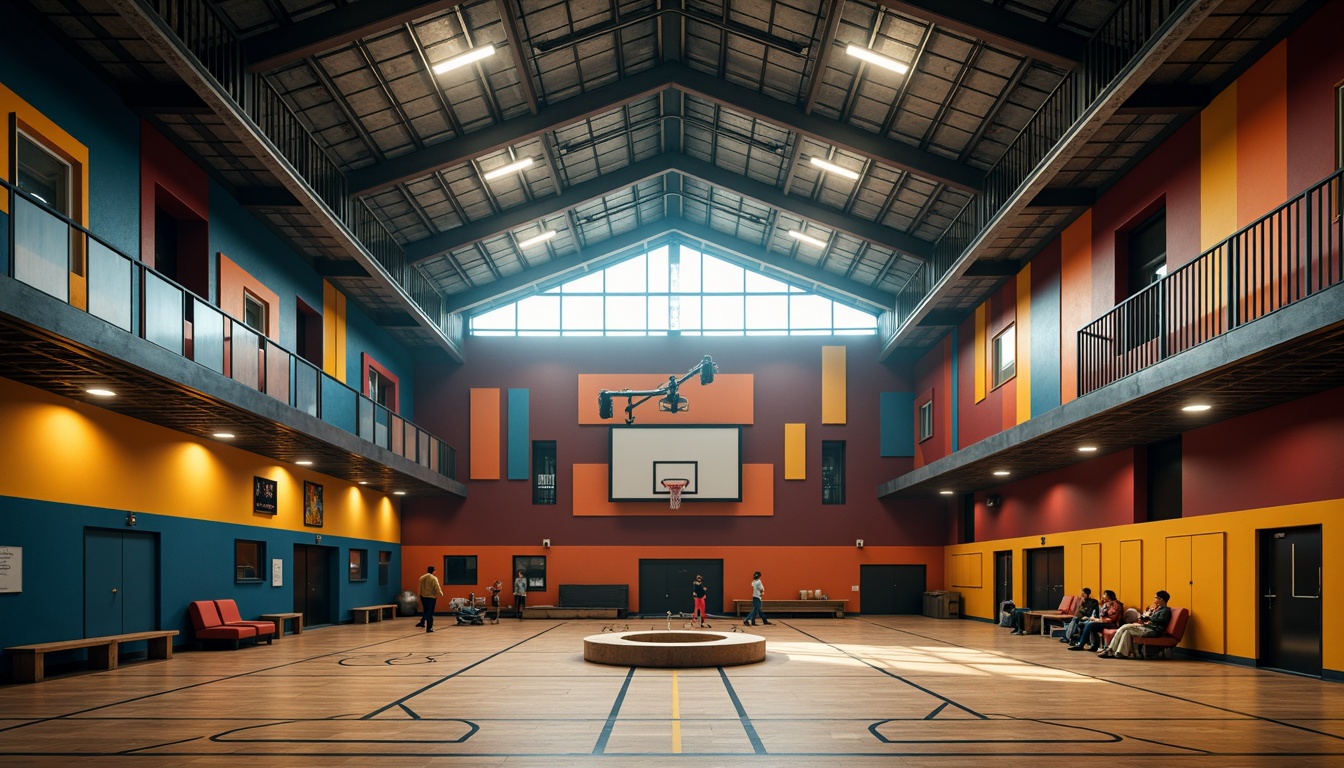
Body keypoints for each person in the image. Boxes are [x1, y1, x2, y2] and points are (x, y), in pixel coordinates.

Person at [1098, 590, 1171, 658]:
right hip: (1147, 627)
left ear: (1161, 599)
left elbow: (1161, 620)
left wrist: (1148, 617)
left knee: (1125, 627)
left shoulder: (1165, 610)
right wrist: (1147, 616)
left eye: (1156, 598)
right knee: (1127, 632)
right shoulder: (1158, 608)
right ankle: (1121, 653)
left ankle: (1110, 649)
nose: (1154, 599)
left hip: (1153, 630)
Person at [417, 565, 443, 633]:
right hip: (431, 597)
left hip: (423, 596)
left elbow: (420, 587)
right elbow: (437, 587)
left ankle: (422, 622)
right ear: (433, 571)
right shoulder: (434, 578)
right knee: (430, 612)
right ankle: (429, 627)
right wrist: (440, 593)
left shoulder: (422, 577)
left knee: (426, 611)